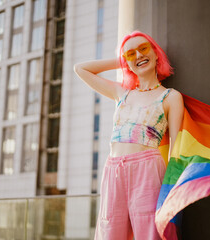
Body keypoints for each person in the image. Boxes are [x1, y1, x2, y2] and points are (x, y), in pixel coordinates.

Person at [74, 31, 184, 240]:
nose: (138, 56)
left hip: (148, 170)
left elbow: (176, 148)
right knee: (109, 232)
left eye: (143, 49)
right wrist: (123, 61)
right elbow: (80, 69)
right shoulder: (121, 93)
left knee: (150, 233)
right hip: (113, 169)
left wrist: (172, 189)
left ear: (156, 53)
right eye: (131, 54)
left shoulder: (170, 97)